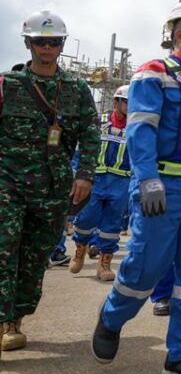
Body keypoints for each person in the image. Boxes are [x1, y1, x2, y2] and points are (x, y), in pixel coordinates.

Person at [91, 0, 181, 374]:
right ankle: (111, 317)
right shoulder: (153, 73)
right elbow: (141, 130)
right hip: (164, 185)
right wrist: (148, 178)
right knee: (146, 267)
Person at [0, 10, 99, 357]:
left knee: (35, 255)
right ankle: (4, 321)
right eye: (40, 42)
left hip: (52, 188)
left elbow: (90, 133)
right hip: (7, 183)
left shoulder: (76, 89)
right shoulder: (7, 85)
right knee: (4, 247)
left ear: (62, 45)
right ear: (29, 43)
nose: (47, 48)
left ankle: (17, 317)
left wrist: (85, 174)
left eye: (54, 42)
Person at [69, 85, 132, 281]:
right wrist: (77, 173)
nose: (131, 106)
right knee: (86, 217)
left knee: (112, 224)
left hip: (121, 181)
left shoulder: (136, 127)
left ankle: (104, 263)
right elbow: (81, 149)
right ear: (116, 102)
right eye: (127, 102)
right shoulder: (98, 121)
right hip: (95, 179)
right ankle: (80, 249)